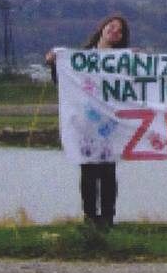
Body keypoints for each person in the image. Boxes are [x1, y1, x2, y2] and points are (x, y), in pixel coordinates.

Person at [46, 14, 130, 230]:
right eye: (112, 26)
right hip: (85, 124)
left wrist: (137, 60)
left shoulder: (122, 59)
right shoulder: (80, 58)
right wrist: (54, 64)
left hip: (110, 123)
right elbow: (64, 82)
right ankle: (91, 217)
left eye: (119, 31)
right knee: (89, 172)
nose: (114, 31)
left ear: (121, 38)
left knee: (108, 172)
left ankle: (108, 218)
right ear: (102, 28)